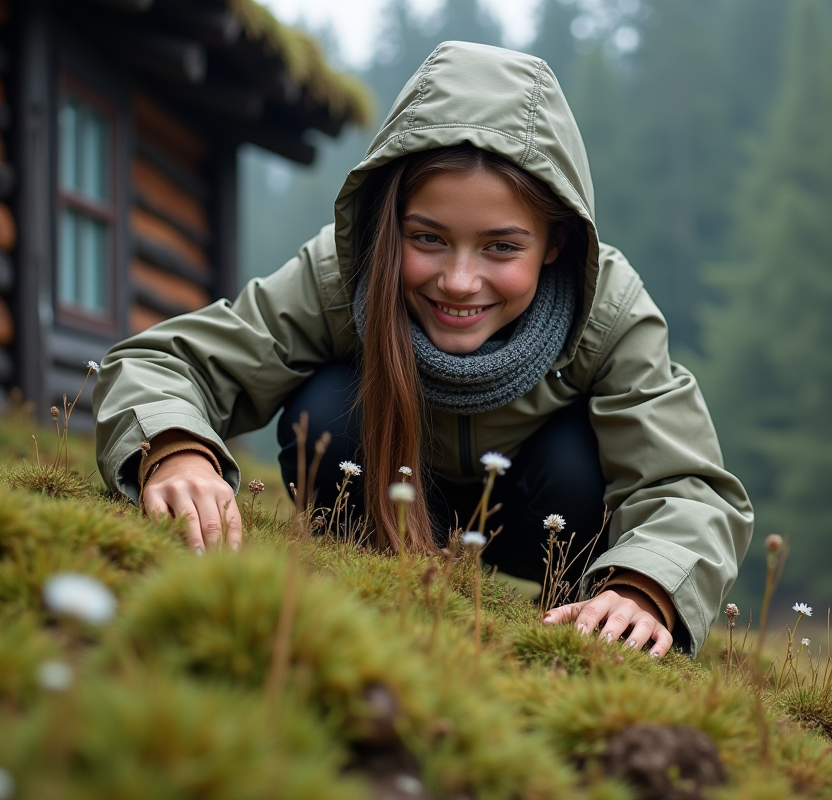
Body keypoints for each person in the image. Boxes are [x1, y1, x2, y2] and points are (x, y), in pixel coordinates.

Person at [93, 41, 752, 657]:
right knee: (323, 408)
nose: (459, 281)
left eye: (501, 246)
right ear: (390, 220)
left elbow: (687, 485)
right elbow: (166, 363)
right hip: (378, 496)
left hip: (540, 529)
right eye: (428, 238)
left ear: (554, 243)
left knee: (579, 457)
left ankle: (584, 607)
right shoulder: (339, 276)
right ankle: (366, 569)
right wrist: (176, 450)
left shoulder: (607, 310)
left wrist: (644, 588)